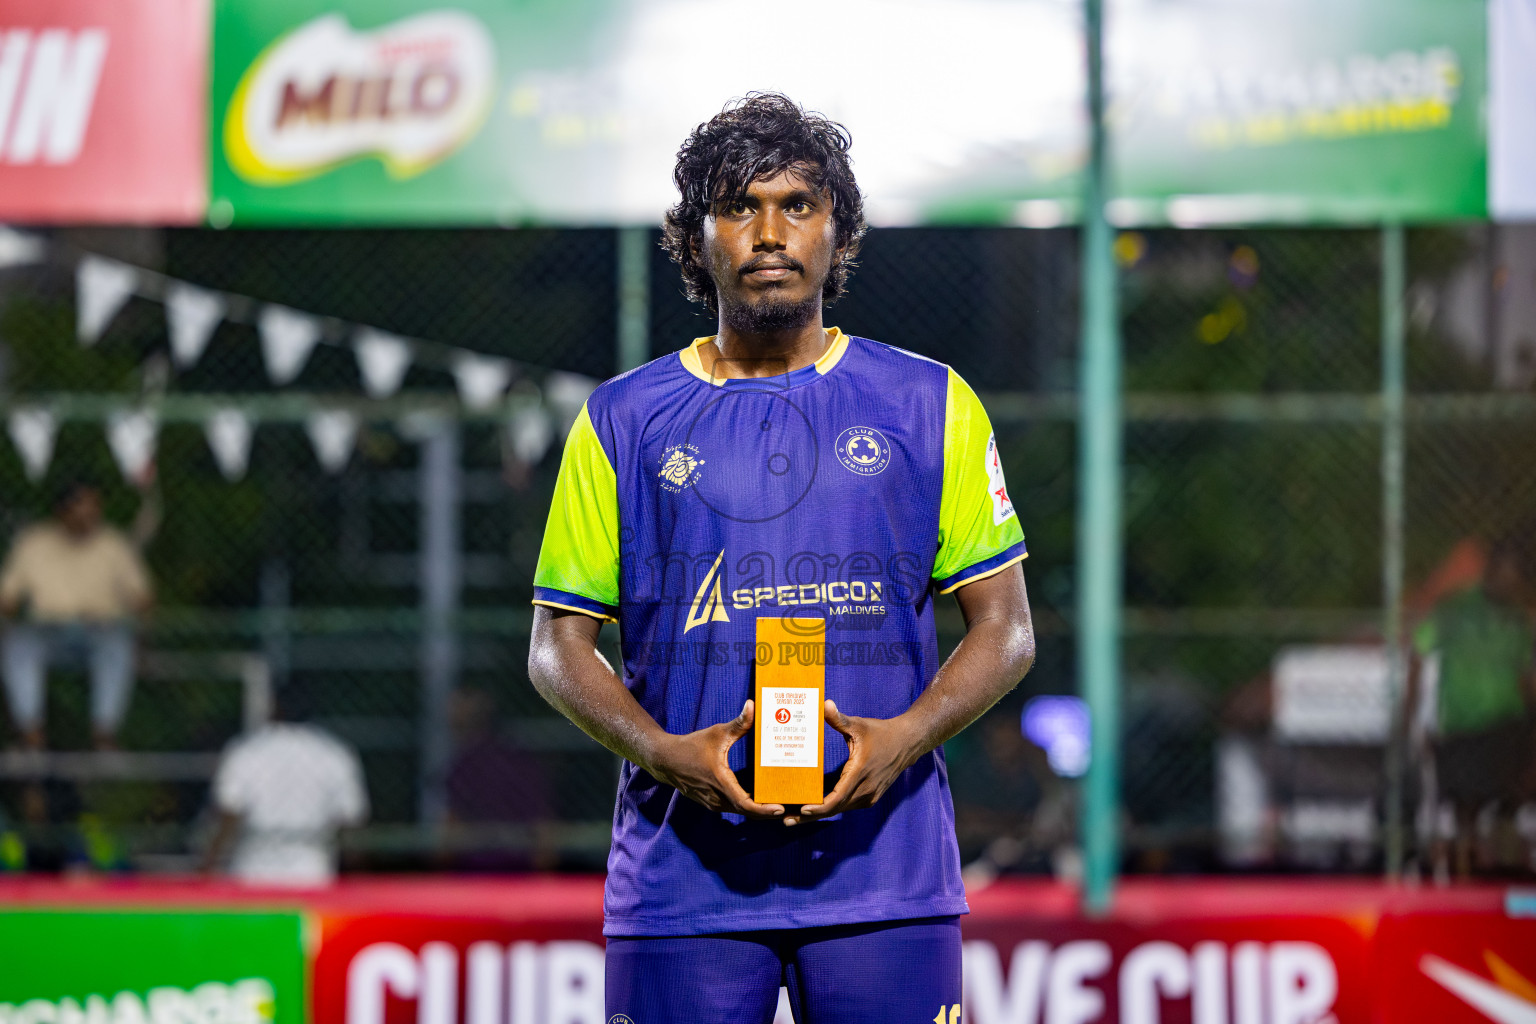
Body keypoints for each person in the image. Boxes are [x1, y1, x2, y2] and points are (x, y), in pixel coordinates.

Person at [528, 94, 1035, 1024]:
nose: (769, 232)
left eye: (798, 204)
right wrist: (661, 751)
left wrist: (906, 736)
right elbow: (555, 648)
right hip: (683, 886)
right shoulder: (620, 421)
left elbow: (1007, 631)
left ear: (838, 234)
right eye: (739, 205)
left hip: (887, 878)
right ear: (697, 239)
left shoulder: (929, 402)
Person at [1412, 536, 1536, 877]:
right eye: (1505, 572)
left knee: (1511, 800)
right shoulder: (1454, 609)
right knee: (1464, 808)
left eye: (1517, 576)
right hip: (1463, 727)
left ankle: (1508, 875)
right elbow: (1418, 654)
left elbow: (1525, 675)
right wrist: (1411, 717)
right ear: (1491, 571)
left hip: (1507, 724)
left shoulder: (1517, 621)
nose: (1510, 582)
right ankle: (1464, 880)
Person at [0, 480, 152, 751]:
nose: (91, 515)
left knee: (118, 644)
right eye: (83, 507)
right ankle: (31, 731)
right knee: (18, 645)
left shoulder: (113, 544)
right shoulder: (33, 543)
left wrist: (138, 627)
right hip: (47, 630)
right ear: (63, 511)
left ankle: (104, 732)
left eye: (95, 508)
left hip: (100, 630)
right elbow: (7, 596)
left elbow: (141, 597)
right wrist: (8, 622)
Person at [202, 685, 369, 886]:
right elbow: (350, 820)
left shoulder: (247, 751)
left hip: (253, 867)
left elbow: (229, 812)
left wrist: (209, 865)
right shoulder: (333, 754)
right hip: (312, 868)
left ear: (273, 707)